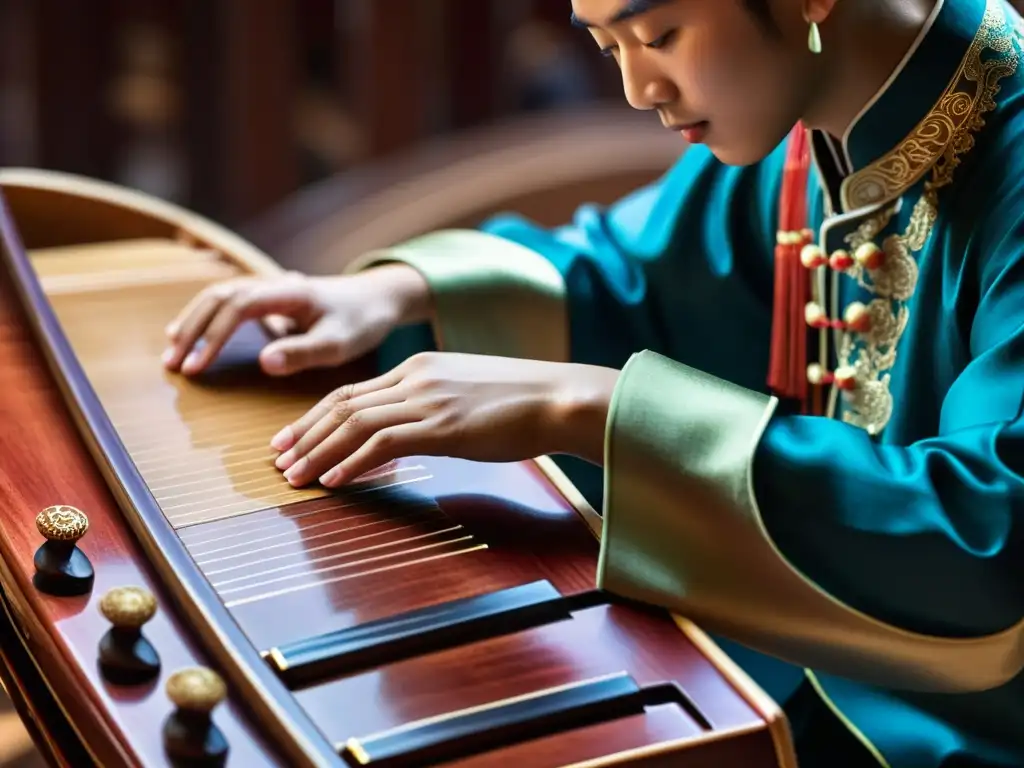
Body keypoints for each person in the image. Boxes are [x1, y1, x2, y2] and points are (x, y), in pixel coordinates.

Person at [163, 0, 1024, 765]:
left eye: (659, 35)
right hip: (795, 654)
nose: (639, 89)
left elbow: (994, 532)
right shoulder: (816, 114)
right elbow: (635, 270)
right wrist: (398, 292)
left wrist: (586, 403)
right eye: (608, 44)